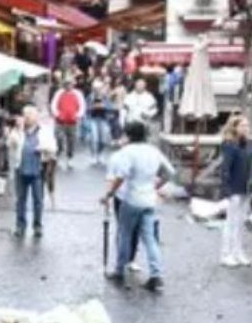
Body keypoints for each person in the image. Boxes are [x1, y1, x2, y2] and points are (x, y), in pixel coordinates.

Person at [102, 120, 174, 291]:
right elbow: (169, 172)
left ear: (128, 135)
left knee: (125, 235)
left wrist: (109, 194)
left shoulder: (128, 152)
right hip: (149, 199)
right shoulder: (153, 151)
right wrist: (156, 186)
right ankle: (156, 274)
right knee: (150, 239)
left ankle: (120, 271)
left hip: (132, 198)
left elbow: (120, 176)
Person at [7, 105, 56, 238]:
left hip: (38, 170)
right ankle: (20, 226)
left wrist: (41, 148)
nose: (27, 117)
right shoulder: (18, 131)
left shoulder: (44, 131)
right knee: (20, 199)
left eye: (30, 114)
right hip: (21, 169)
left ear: (36, 117)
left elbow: (52, 147)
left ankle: (37, 226)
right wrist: (17, 130)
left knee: (38, 200)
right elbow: (10, 144)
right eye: (25, 114)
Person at [219, 113, 252, 267]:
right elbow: (225, 169)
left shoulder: (249, 144)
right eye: (242, 125)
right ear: (235, 128)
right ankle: (226, 253)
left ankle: (238, 251)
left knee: (240, 222)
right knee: (231, 221)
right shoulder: (229, 144)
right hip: (234, 188)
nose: (246, 128)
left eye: (247, 125)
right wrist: (227, 190)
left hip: (245, 187)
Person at [51, 78, 85, 159]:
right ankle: (59, 149)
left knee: (71, 139)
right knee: (58, 136)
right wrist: (57, 114)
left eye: (70, 84)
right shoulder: (59, 93)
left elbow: (82, 105)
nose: (68, 86)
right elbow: (54, 104)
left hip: (73, 121)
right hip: (60, 121)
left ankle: (70, 154)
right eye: (66, 84)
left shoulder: (78, 94)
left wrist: (78, 115)